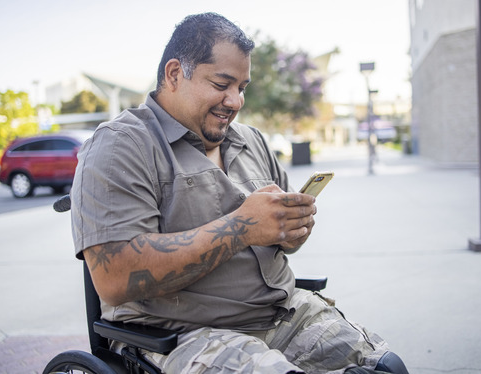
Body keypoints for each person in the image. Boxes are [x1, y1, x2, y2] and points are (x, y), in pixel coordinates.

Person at [71, 12, 408, 374]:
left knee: (386, 367)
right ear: (173, 74)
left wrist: (291, 230)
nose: (235, 101)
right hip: (183, 334)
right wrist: (242, 227)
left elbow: (280, 236)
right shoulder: (121, 146)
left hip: (282, 314)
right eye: (221, 84)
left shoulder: (251, 140)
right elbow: (115, 277)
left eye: (242, 87)